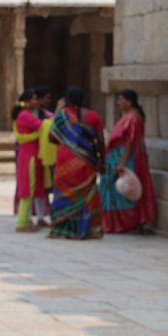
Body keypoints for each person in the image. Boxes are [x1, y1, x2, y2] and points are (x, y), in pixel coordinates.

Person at [49, 86, 105, 240]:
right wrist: (103, 161)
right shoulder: (93, 116)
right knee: (86, 195)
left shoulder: (62, 116)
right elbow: (100, 141)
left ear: (66, 99)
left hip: (64, 161)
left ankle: (62, 230)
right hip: (86, 160)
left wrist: (68, 139)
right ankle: (86, 229)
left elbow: (51, 137)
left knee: (64, 194)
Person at [99, 89, 157, 233]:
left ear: (129, 101)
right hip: (116, 157)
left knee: (122, 190)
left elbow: (130, 143)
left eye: (120, 99)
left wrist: (122, 163)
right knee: (114, 190)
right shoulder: (129, 116)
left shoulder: (133, 119)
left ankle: (125, 223)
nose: (118, 102)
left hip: (123, 159)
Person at [13, 89, 49, 232]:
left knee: (34, 187)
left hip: (33, 154)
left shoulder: (25, 114)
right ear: (27, 102)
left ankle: (27, 220)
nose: (37, 102)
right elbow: (43, 126)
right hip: (29, 156)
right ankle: (22, 222)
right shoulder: (25, 115)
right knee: (28, 187)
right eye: (34, 99)